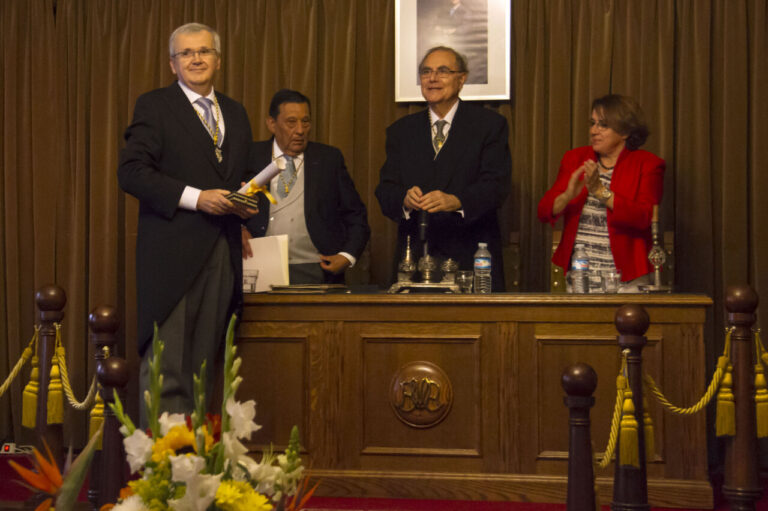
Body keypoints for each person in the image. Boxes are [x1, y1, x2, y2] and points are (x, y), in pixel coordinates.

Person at [118, 23, 255, 421]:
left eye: (204, 51)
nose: (196, 59)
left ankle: (197, 458)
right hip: (172, 259)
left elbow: (243, 176)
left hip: (223, 253)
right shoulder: (155, 105)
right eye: (186, 53)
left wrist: (248, 204)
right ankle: (162, 460)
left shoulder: (236, 112)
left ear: (218, 60)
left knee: (203, 370)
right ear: (172, 64)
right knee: (169, 370)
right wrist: (197, 198)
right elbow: (131, 172)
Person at [376, 46, 511, 291]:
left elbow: (496, 186)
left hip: (470, 255)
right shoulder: (401, 131)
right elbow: (385, 190)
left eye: (443, 71)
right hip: (416, 258)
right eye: (426, 72)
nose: (433, 78)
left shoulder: (488, 125)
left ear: (462, 79)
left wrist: (456, 201)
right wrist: (404, 199)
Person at [537, 94, 665, 292]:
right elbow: (544, 211)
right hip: (580, 276)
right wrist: (567, 196)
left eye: (603, 125)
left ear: (624, 132)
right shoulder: (575, 158)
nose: (593, 130)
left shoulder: (647, 164)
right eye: (593, 123)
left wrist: (601, 192)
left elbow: (643, 217)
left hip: (627, 279)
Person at [244, 89, 370, 284]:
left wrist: (347, 256)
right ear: (271, 124)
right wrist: (239, 229)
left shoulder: (329, 159)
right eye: (291, 122)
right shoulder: (249, 156)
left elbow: (355, 214)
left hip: (317, 268)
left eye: (306, 122)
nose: (300, 130)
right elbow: (226, 205)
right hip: (259, 265)